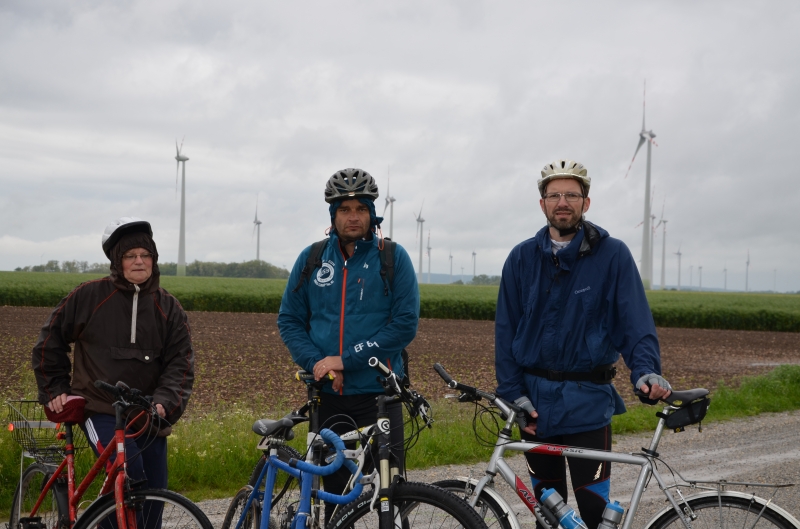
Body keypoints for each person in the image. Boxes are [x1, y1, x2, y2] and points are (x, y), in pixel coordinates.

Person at [495, 159, 671, 529]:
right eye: (554, 195)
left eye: (572, 195)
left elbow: (635, 323)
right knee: (548, 515)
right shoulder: (521, 258)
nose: (563, 202)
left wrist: (646, 370)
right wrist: (513, 393)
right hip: (535, 406)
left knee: (593, 512)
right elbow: (506, 332)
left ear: (585, 203)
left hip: (588, 403)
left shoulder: (613, 255)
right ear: (542, 203)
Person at [278, 168, 419, 520]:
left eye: (360, 208)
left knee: (391, 495)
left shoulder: (392, 258)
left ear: (372, 213)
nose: (353, 216)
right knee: (335, 500)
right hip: (329, 399)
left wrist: (344, 360)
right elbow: (290, 320)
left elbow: (404, 325)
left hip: (380, 396)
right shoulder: (312, 259)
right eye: (344, 209)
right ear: (333, 215)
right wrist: (319, 364)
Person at [32, 217, 194, 496]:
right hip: (100, 408)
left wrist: (164, 403)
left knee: (155, 491)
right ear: (117, 261)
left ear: (154, 259)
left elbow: (181, 364)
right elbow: (50, 339)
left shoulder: (169, 308)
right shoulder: (88, 296)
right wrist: (54, 386)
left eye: (145, 255)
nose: (139, 261)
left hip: (147, 412)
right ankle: (108, 517)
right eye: (130, 256)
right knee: (128, 471)